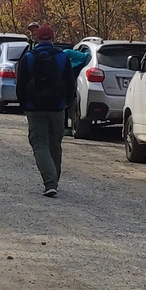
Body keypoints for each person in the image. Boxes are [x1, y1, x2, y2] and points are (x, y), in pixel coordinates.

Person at [15, 24, 89, 197]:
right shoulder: (62, 57)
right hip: (57, 108)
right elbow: (70, 84)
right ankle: (54, 179)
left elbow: (21, 84)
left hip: (34, 108)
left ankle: (50, 182)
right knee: (55, 144)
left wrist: (24, 106)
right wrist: (67, 105)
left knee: (40, 144)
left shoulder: (28, 57)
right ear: (53, 38)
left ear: (36, 39)